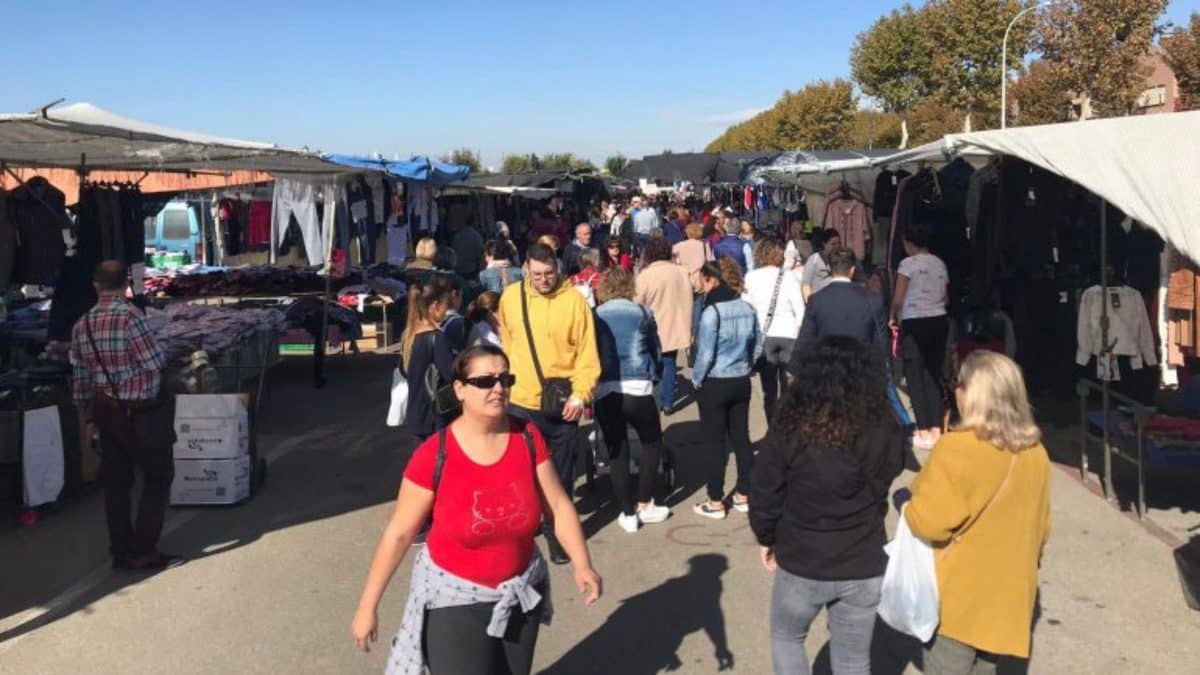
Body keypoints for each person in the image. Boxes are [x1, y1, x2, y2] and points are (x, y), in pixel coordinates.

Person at [352, 345, 602, 675]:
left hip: (520, 593)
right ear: (460, 389)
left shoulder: (527, 437)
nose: (498, 388)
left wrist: (582, 564)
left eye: (505, 378)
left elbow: (557, 503)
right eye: (485, 381)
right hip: (455, 601)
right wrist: (368, 606)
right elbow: (398, 534)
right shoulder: (434, 454)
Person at [750, 336, 905, 675]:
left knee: (787, 637)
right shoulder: (881, 422)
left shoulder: (792, 421)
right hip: (863, 557)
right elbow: (894, 465)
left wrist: (766, 536)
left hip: (803, 556)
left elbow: (765, 489)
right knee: (853, 660)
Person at [899, 351, 1051, 675]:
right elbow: (1042, 528)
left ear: (971, 393)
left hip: (959, 599)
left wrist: (905, 506)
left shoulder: (958, 448)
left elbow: (929, 522)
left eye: (959, 384)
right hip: (1008, 597)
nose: (956, 391)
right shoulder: (1036, 453)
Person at [70, 260, 179, 572]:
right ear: (126, 285)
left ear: (96, 285)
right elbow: (154, 361)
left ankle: (120, 549)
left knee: (117, 483)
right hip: (140, 411)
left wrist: (85, 413)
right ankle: (144, 551)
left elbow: (80, 376)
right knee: (157, 477)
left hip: (106, 410)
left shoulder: (83, 323)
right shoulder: (131, 317)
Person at [497, 243, 601, 564]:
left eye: (549, 274)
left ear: (558, 269)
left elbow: (588, 357)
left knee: (561, 477)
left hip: (560, 404)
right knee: (519, 474)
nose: (543, 280)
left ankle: (557, 533)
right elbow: (506, 344)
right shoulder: (511, 298)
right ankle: (523, 530)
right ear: (527, 269)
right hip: (520, 401)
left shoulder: (574, 303)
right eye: (537, 274)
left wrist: (580, 395)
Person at [593, 268, 672, 533]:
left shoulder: (595, 315)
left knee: (617, 450)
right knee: (652, 442)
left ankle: (627, 513)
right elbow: (655, 348)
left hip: (607, 388)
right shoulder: (641, 312)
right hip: (638, 386)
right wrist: (657, 373)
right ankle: (644, 502)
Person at [691, 261, 763, 520]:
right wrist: (747, 364)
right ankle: (744, 492)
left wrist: (696, 378)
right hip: (739, 378)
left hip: (715, 380)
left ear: (711, 280)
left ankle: (715, 498)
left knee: (715, 443)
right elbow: (757, 343)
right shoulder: (746, 307)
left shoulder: (713, 312)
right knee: (741, 437)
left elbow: (705, 352)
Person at [889, 222, 950, 450]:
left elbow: (898, 298)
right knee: (933, 374)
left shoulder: (907, 264)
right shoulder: (940, 263)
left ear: (909, 243)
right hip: (939, 321)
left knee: (914, 374)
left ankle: (923, 431)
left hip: (915, 322)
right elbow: (946, 299)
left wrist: (893, 316)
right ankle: (936, 429)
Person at [790, 247, 888, 377]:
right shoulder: (874, 301)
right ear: (852, 270)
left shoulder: (816, 300)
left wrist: (796, 369)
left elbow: (806, 338)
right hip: (861, 372)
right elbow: (880, 342)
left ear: (829, 269)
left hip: (827, 371)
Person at [743, 239, 805, 423]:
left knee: (768, 389)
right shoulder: (789, 276)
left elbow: (747, 310)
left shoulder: (750, 278)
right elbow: (800, 310)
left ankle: (773, 426)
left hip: (765, 337)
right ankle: (789, 423)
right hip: (789, 335)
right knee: (790, 386)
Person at [635, 235, 694, 414]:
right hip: (675, 324)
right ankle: (667, 402)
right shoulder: (682, 272)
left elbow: (637, 302)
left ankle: (654, 399)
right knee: (669, 363)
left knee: (652, 364)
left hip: (653, 327)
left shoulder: (645, 275)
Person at [400, 281, 456, 442]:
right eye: (445, 306)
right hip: (435, 415)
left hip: (415, 414)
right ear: (435, 306)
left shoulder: (408, 335)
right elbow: (450, 374)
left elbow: (404, 371)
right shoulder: (436, 337)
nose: (446, 312)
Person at [673, 222, 716, 358]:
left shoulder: (677, 247)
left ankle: (685, 339)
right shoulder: (704, 246)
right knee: (697, 313)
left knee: (684, 313)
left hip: (683, 283)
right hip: (699, 283)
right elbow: (711, 263)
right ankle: (693, 342)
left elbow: (674, 266)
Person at [801, 229, 841, 301]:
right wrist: (810, 304)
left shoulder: (843, 259)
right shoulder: (814, 259)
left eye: (839, 243)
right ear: (824, 244)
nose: (837, 246)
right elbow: (806, 284)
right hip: (818, 303)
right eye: (833, 244)